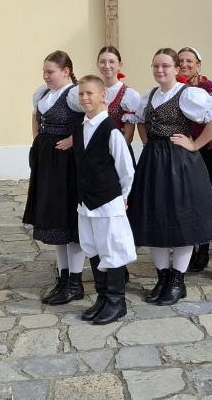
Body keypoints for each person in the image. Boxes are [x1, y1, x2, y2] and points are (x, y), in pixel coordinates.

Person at [127, 48, 212, 305]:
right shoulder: (149, 95)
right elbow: (140, 120)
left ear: (176, 69)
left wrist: (195, 144)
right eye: (156, 66)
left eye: (165, 66)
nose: (160, 70)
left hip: (180, 163)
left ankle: (177, 281)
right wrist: (148, 142)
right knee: (155, 218)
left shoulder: (188, 94)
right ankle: (162, 277)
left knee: (182, 219)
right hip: (153, 162)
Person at [72, 75, 137, 325]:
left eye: (90, 93)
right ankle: (102, 298)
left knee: (112, 249)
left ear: (102, 96)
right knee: (94, 248)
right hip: (86, 202)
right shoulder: (80, 129)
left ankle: (116, 302)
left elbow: (126, 170)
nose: (85, 98)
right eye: (81, 94)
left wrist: (123, 197)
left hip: (108, 201)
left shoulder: (112, 131)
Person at [25, 51, 87, 305]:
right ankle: (63, 278)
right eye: (44, 71)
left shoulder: (74, 94)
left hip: (68, 165)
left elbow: (96, 117)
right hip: (48, 163)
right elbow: (36, 117)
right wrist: (38, 140)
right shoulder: (42, 94)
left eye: (50, 71)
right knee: (56, 223)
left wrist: (74, 139)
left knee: (69, 223)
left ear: (66, 71)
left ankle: (75, 282)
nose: (46, 76)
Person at [176, 46, 212, 273]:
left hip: (204, 151)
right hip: (181, 152)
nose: (184, 64)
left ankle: (203, 248)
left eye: (189, 61)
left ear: (198, 64)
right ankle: (187, 244)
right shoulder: (174, 88)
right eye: (180, 61)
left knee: (205, 198)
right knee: (184, 199)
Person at [96, 46, 142, 151]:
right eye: (102, 62)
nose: (107, 65)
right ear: (97, 64)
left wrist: (114, 153)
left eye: (111, 61)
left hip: (119, 150)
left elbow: (128, 136)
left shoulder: (129, 94)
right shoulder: (93, 91)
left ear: (119, 65)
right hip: (95, 149)